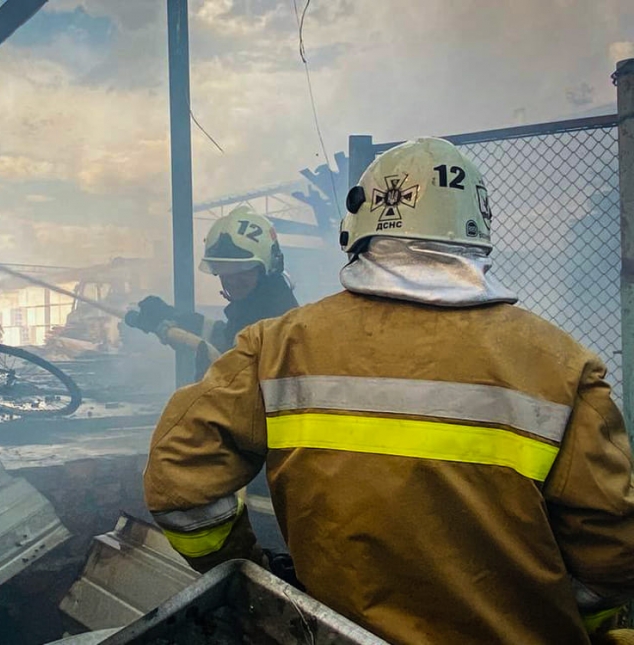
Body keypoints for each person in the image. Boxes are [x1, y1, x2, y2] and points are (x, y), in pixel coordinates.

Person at [142, 137, 634, 644]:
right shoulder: (561, 368)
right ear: (480, 230)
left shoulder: (277, 345)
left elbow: (179, 480)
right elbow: (610, 552)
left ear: (359, 226)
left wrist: (251, 577)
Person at [133, 206, 298, 354]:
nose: (232, 281)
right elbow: (228, 338)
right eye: (224, 270)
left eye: (242, 270)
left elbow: (242, 368)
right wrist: (176, 317)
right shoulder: (255, 309)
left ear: (269, 267)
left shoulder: (277, 325)